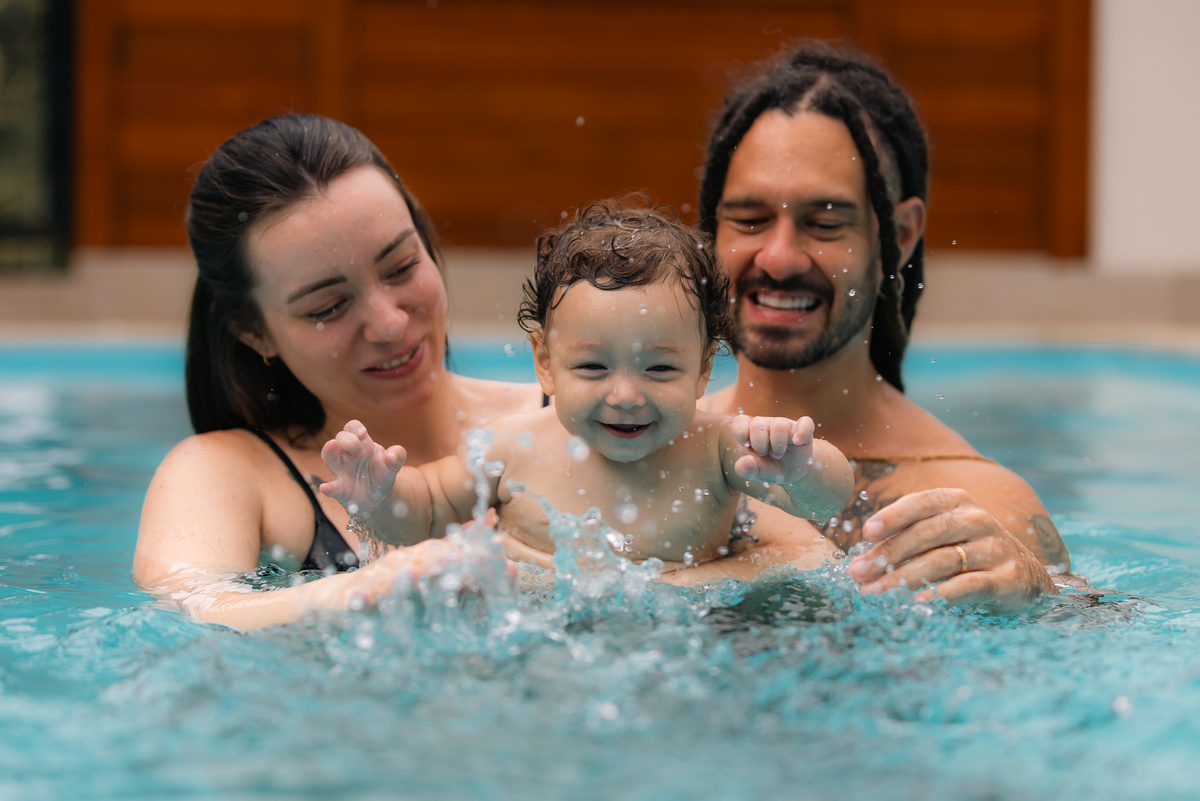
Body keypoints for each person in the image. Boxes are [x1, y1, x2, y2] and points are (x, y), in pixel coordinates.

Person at [693, 42, 1069, 611]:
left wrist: (1039, 594)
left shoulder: (979, 508)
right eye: (750, 219)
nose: (778, 257)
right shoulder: (632, 440)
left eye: (823, 223)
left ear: (900, 234)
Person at [133, 114, 543, 629]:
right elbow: (190, 608)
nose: (390, 324)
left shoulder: (583, 422)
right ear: (251, 330)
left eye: (401, 267)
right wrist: (377, 585)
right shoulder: (229, 474)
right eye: (327, 306)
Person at [319, 201, 854, 568]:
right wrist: (380, 499)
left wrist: (803, 468)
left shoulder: (717, 449)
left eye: (660, 369)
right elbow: (430, 508)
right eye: (593, 368)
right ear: (546, 362)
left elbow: (826, 504)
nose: (625, 395)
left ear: (704, 370)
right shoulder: (511, 447)